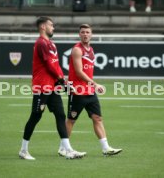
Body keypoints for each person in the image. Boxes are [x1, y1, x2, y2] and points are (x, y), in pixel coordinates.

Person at [18, 16, 85, 160]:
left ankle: (68, 150)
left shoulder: (51, 44)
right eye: (51, 25)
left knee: (60, 115)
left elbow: (55, 65)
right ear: (43, 27)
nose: (53, 28)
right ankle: (23, 150)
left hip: (52, 86)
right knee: (35, 116)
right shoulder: (41, 43)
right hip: (42, 86)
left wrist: (62, 81)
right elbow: (49, 65)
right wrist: (62, 80)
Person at [58, 24, 122, 156]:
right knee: (71, 120)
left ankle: (106, 148)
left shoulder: (91, 49)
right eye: (82, 32)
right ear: (79, 34)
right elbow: (79, 71)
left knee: (97, 118)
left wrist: (92, 86)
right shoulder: (77, 50)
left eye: (87, 32)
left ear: (91, 34)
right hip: (77, 90)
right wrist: (95, 84)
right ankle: (63, 148)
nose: (85, 34)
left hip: (89, 91)